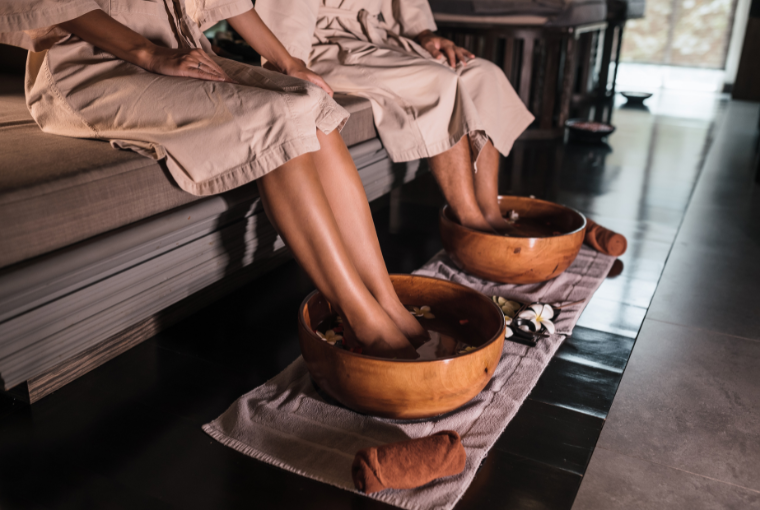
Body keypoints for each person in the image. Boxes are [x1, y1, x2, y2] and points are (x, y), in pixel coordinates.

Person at [0, 0, 427, 358]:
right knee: (276, 115)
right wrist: (150, 54)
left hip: (181, 50)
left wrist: (288, 63)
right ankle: (359, 318)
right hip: (94, 66)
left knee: (310, 101)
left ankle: (386, 300)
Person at [256, 0, 535, 233]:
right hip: (320, 45)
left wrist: (423, 33)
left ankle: (490, 212)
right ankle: (470, 224)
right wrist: (290, 62)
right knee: (437, 82)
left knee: (484, 75)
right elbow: (286, 15)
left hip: (377, 36)